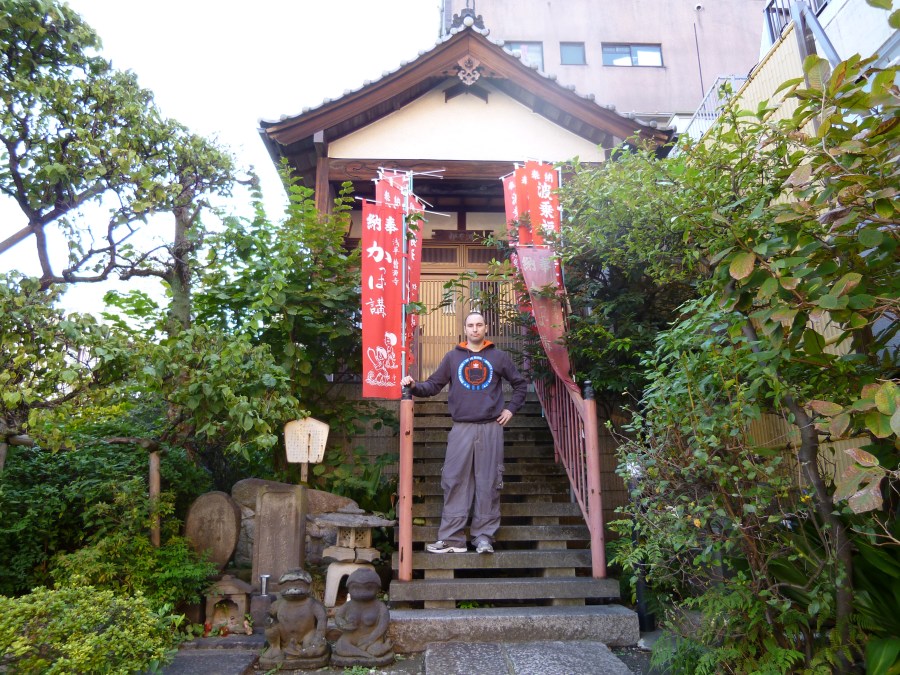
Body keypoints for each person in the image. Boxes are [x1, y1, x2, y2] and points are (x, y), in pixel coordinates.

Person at [401, 310, 528, 554]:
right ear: (465, 329)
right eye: (471, 325)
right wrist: (414, 385)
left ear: (486, 328)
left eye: (479, 324)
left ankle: (484, 538)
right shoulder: (453, 357)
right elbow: (433, 385)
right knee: (454, 479)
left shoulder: (499, 357)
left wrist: (511, 409)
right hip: (461, 428)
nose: (475, 329)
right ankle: (452, 539)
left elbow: (520, 385)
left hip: (491, 427)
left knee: (489, 482)